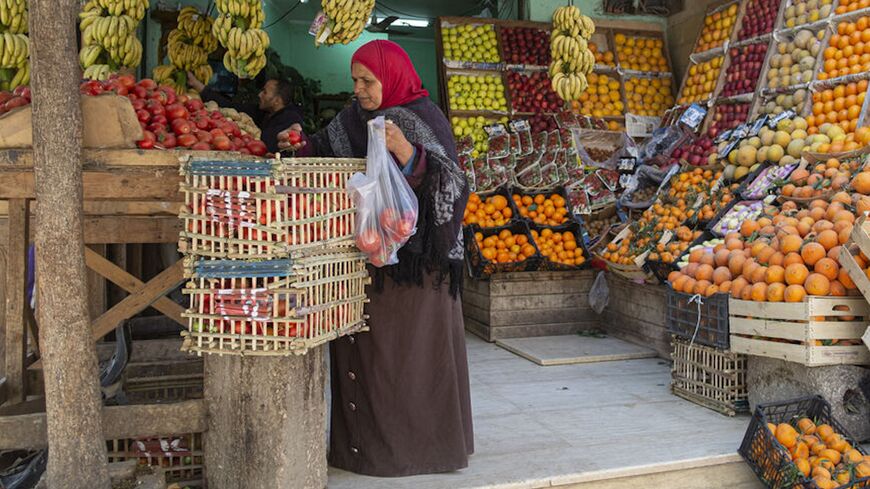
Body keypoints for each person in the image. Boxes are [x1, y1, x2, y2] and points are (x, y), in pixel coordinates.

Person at [278, 40, 473, 477]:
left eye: (368, 80)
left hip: (417, 268)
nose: (360, 89)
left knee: (408, 362)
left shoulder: (422, 117)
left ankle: (422, 451)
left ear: (393, 77)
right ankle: (364, 451)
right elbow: (323, 148)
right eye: (355, 80)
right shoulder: (354, 118)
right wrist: (297, 146)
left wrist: (408, 153)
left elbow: (455, 187)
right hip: (369, 255)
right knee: (370, 358)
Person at [187, 72, 304, 153]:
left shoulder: (290, 120)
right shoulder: (264, 112)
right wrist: (197, 85)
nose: (259, 95)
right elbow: (231, 107)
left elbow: (266, 146)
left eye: (264, 92)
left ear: (277, 101)